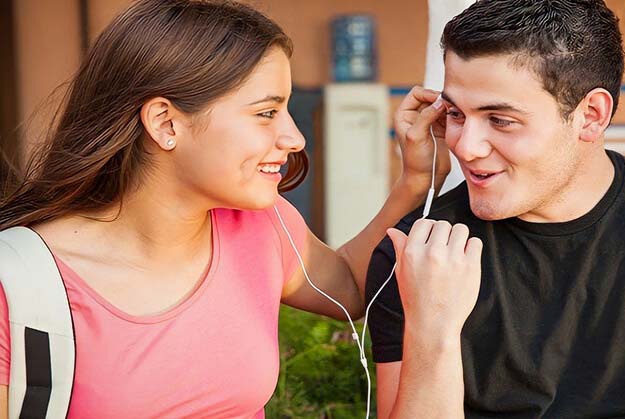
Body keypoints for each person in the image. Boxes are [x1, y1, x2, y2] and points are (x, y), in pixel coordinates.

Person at [0, 0, 479, 417]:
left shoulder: (261, 227)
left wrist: (416, 179)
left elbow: (351, 289)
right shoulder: (19, 282)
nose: (294, 138)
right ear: (166, 122)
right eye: (267, 112)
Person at [366, 0, 625, 418]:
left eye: (500, 119)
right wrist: (432, 330)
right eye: (456, 113)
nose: (465, 146)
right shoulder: (419, 256)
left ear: (590, 115)